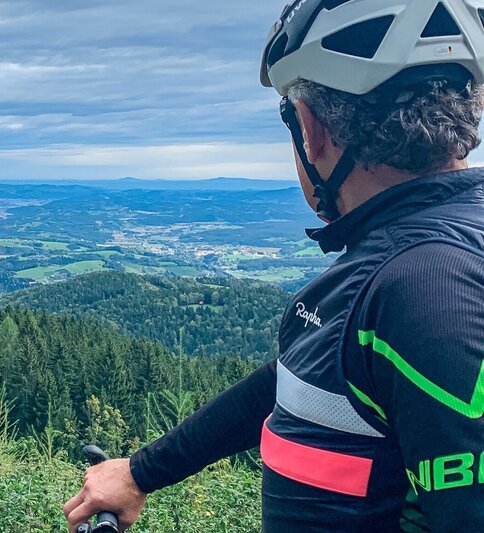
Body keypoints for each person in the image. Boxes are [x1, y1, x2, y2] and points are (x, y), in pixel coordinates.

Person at [63, 1, 484, 531]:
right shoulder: (413, 267)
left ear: (310, 128)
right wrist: (141, 472)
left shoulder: (424, 285)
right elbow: (295, 377)